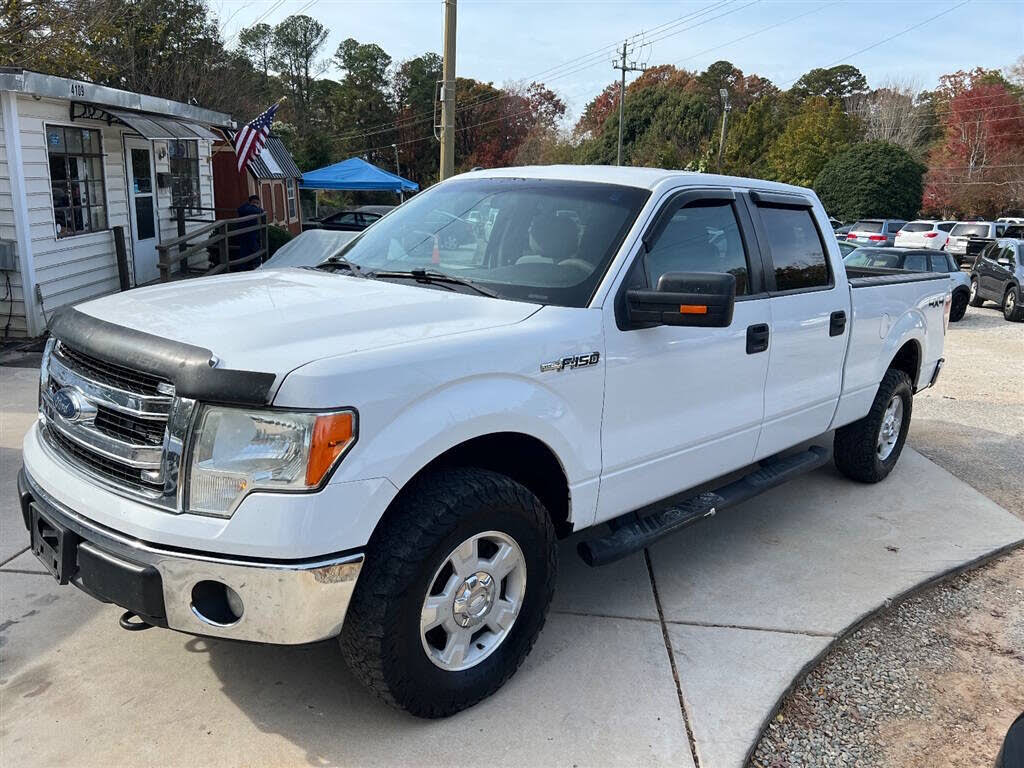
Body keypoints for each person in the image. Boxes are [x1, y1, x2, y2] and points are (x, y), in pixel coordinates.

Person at [233, 194, 265, 269]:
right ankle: (250, 267)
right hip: (247, 233)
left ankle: (247, 267)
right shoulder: (246, 208)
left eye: (257, 203)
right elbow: (257, 210)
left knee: (248, 251)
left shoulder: (247, 207)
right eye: (254, 202)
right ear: (250, 202)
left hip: (251, 233)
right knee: (250, 251)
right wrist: (256, 207)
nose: (256, 204)